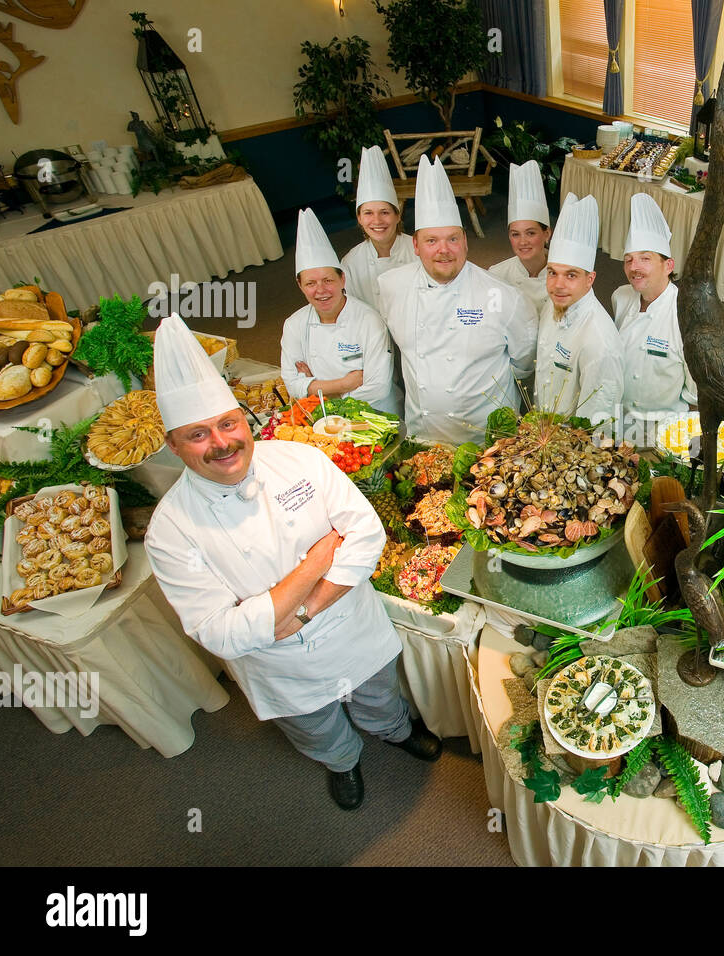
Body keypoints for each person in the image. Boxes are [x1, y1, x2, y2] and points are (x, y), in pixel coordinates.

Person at [144, 314, 440, 812]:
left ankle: (392, 730)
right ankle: (342, 761)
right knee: (314, 723)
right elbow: (220, 633)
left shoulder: (299, 460)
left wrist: (298, 610)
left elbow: (366, 537)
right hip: (281, 665)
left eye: (227, 423)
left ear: (242, 419)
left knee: (380, 692)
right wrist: (318, 559)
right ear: (172, 446)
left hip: (351, 628)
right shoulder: (170, 531)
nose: (221, 443)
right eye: (197, 434)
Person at [380, 155, 537, 445]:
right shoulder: (391, 287)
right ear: (415, 245)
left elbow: (523, 363)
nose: (444, 250)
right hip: (422, 440)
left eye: (452, 239)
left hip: (489, 443)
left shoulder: (503, 296)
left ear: (465, 241)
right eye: (431, 241)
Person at [280, 208, 398, 413]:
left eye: (328, 280)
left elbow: (377, 388)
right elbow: (292, 385)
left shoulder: (369, 320)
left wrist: (315, 388)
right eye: (310, 283)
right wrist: (344, 384)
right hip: (324, 419)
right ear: (300, 285)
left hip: (375, 414)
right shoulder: (294, 324)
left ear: (342, 279)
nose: (320, 290)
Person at [610, 193, 697, 446]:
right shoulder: (620, 297)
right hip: (618, 420)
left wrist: (687, 444)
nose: (634, 266)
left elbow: (695, 395)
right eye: (629, 259)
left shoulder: (685, 314)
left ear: (668, 265)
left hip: (665, 430)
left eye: (645, 258)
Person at [534, 193, 623, 429]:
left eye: (571, 275)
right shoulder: (552, 304)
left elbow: (595, 426)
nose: (558, 284)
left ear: (590, 279)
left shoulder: (599, 341)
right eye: (553, 272)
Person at [339, 145, 415, 313]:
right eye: (368, 213)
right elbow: (350, 311)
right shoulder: (350, 263)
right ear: (359, 218)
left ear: (398, 215)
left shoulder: (418, 251)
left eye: (384, 212)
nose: (377, 221)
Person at [488, 159, 551, 316]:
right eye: (515, 234)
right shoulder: (496, 275)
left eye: (531, 233)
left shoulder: (565, 276)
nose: (522, 242)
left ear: (547, 234)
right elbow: (491, 323)